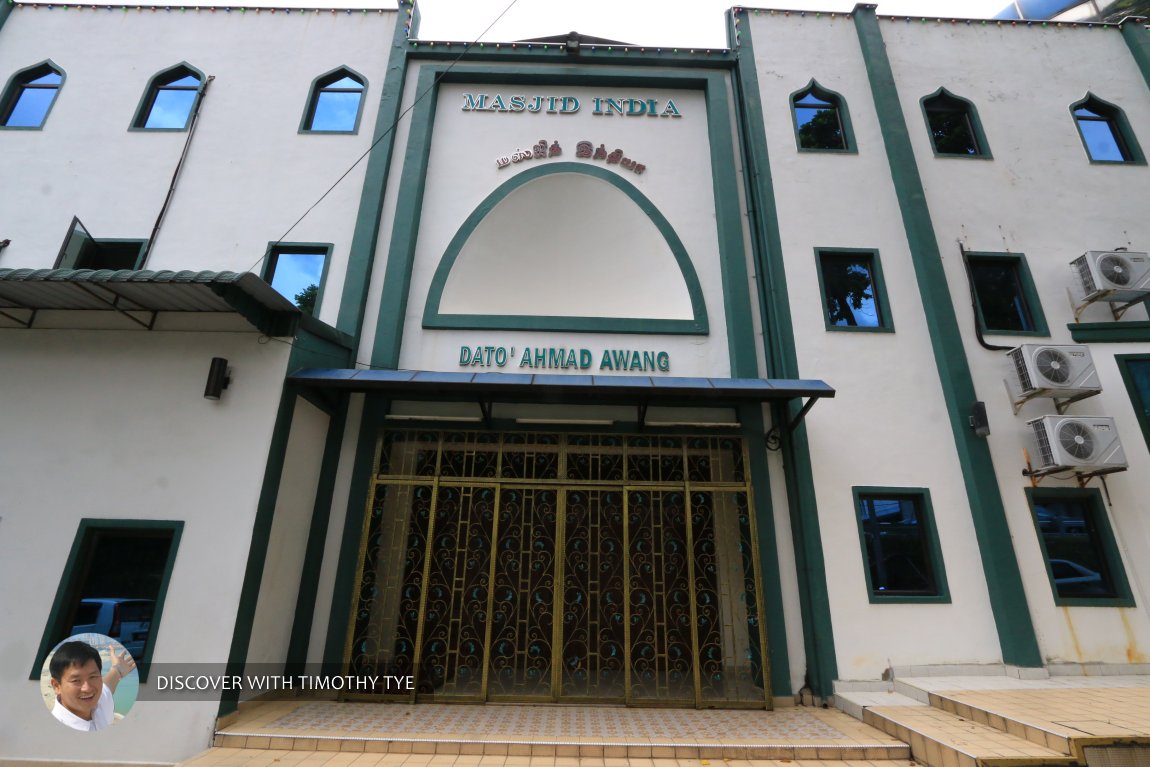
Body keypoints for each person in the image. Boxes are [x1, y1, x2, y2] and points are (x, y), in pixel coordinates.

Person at [49, 640, 135, 732]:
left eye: (93, 677)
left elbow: (108, 685)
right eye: (76, 680)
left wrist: (118, 669)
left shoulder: (99, 702)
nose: (87, 688)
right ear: (56, 686)